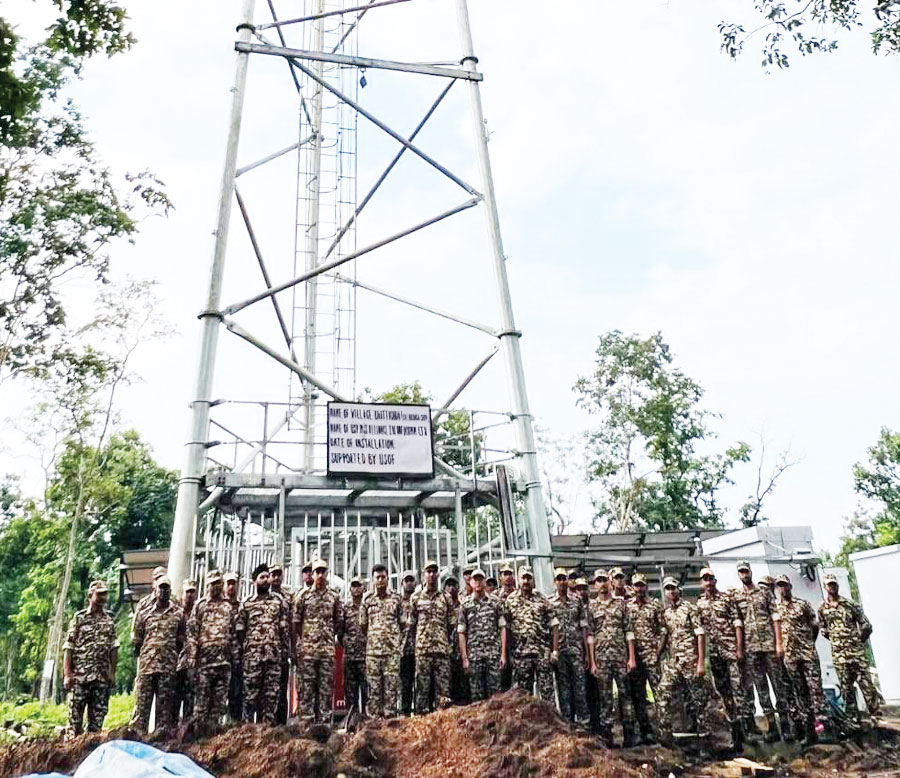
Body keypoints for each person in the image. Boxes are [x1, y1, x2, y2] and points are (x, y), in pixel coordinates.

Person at [732, 560, 789, 741]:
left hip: (769, 645)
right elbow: (738, 624)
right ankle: (771, 726)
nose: (744, 574)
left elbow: (775, 617)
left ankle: (785, 725)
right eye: (741, 572)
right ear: (738, 574)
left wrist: (779, 643)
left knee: (778, 684)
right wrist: (740, 649)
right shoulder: (737, 597)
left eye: (746, 571)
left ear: (751, 572)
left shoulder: (764, 592)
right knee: (761, 687)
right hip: (751, 648)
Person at [655, 576, 715, 749]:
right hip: (674, 662)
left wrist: (701, 662)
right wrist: (657, 655)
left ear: (678, 590)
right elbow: (665, 636)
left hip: (690, 660)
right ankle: (665, 738)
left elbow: (700, 634)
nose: (671, 591)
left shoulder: (689, 608)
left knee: (699, 699)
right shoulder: (666, 613)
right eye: (667, 589)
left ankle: (705, 740)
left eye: (673, 588)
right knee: (662, 693)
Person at [818, 573, 881, 725]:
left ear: (837, 585)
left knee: (867, 685)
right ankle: (853, 719)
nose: (832, 587)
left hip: (856, 653)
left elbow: (866, 625)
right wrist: (837, 641)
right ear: (825, 587)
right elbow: (823, 630)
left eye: (834, 584)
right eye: (829, 585)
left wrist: (858, 641)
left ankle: (876, 715)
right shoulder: (822, 608)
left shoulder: (850, 604)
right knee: (846, 688)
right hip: (839, 655)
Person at [696, 566, 747, 752]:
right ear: (701, 583)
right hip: (715, 655)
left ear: (715, 580)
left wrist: (739, 649)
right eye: (705, 579)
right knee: (724, 693)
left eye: (711, 578)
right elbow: (699, 631)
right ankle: (733, 733)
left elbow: (737, 623)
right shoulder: (700, 604)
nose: (708, 582)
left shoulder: (726, 598)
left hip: (731, 652)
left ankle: (743, 733)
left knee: (738, 690)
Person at [773, 574, 825, 745]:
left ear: (790, 586)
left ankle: (823, 727)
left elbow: (815, 625)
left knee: (815, 690)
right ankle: (809, 731)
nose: (783, 589)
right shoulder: (775, 608)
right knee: (800, 692)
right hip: (790, 657)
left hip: (807, 654)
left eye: (785, 585)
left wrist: (808, 643)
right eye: (780, 586)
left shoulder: (802, 604)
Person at [588, 568, 638, 747]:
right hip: (602, 659)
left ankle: (630, 735)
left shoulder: (621, 604)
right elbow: (590, 636)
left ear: (609, 582)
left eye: (604, 580)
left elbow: (629, 632)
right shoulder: (591, 607)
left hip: (620, 657)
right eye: (598, 581)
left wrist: (631, 658)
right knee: (605, 698)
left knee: (626, 696)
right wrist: (592, 662)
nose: (602, 583)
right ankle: (607, 736)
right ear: (595, 585)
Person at [63, 580, 118, 736]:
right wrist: (67, 674)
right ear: (90, 596)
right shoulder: (79, 618)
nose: (103, 598)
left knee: (96, 726)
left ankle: (91, 749)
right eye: (99, 594)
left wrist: (112, 673)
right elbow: (68, 647)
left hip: (100, 679)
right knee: (74, 725)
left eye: (105, 594)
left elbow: (113, 648)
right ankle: (72, 749)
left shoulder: (109, 620)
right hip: (80, 678)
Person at [237, 564, 290, 724]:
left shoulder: (278, 601)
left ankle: (266, 733)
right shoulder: (246, 603)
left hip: (273, 659)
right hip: (253, 660)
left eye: (267, 577)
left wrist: (284, 653)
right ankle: (248, 733)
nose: (266, 580)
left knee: (270, 700)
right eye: (262, 577)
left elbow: (283, 629)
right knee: (250, 700)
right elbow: (240, 631)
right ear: (255, 581)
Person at [131, 576, 185, 733]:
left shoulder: (178, 614)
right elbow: (137, 642)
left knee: (164, 715)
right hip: (147, 668)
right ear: (155, 590)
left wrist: (169, 655)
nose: (163, 591)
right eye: (161, 587)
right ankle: (138, 740)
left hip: (167, 669)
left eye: (166, 588)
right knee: (141, 713)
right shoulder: (144, 614)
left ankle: (160, 741)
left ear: (170, 591)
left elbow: (180, 641)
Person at [294, 558, 343, 722]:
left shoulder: (334, 596)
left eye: (323, 571)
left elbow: (338, 621)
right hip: (308, 652)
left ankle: (325, 724)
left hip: (327, 652)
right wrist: (307, 638)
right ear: (313, 574)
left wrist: (327, 637)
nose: (320, 575)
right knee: (307, 690)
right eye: (317, 572)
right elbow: (296, 622)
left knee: (326, 690)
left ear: (327, 573)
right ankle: (306, 725)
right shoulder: (303, 596)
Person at [187, 570, 238, 727]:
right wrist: (191, 662)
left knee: (218, 707)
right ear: (207, 585)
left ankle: (213, 735)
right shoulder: (200, 606)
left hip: (223, 664)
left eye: (218, 583)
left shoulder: (228, 606)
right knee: (201, 707)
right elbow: (192, 635)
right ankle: (198, 735)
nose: (216, 587)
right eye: (212, 584)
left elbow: (233, 634)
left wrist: (235, 658)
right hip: (204, 665)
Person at [504, 565, 559, 704]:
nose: (526, 581)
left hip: (542, 654)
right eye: (523, 578)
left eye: (528, 578)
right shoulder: (510, 600)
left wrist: (554, 651)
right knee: (522, 698)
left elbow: (554, 625)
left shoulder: (542, 599)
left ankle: (549, 718)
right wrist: (509, 654)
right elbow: (506, 629)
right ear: (518, 579)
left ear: (533, 579)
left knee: (548, 696)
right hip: (521, 655)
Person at [408, 559, 456, 713]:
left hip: (442, 651)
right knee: (422, 693)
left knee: (444, 694)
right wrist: (417, 645)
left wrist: (445, 642)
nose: (432, 574)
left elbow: (452, 624)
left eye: (434, 571)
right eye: (429, 571)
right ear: (424, 574)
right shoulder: (416, 598)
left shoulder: (446, 598)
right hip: (423, 652)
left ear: (438, 575)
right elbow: (412, 625)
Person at [548, 566, 591, 723]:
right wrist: (552, 651)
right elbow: (548, 629)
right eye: (558, 579)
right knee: (564, 691)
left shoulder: (576, 601)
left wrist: (586, 653)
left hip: (576, 652)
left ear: (568, 581)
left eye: (564, 578)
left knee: (580, 689)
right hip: (560, 653)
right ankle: (568, 724)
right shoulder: (549, 602)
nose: (561, 582)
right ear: (555, 582)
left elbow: (583, 627)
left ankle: (584, 723)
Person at [626, 572, 665, 744]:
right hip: (635, 658)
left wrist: (658, 652)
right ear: (632, 587)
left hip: (652, 657)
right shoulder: (628, 607)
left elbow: (663, 630)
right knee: (638, 696)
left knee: (659, 694)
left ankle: (663, 732)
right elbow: (627, 631)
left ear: (646, 586)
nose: (639, 589)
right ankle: (645, 731)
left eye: (641, 585)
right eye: (636, 585)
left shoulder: (655, 605)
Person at [457, 569, 508, 701]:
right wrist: (465, 658)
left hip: (493, 656)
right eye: (475, 579)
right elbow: (461, 632)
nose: (478, 582)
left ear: (484, 582)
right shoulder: (465, 604)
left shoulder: (495, 602)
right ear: (471, 582)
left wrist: (503, 654)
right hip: (474, 657)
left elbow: (502, 628)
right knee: (477, 698)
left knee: (496, 698)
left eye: (481, 579)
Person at [361, 564, 404, 718]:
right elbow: (363, 625)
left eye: (383, 577)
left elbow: (402, 623)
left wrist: (393, 641)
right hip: (373, 653)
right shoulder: (367, 599)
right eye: (377, 577)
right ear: (373, 580)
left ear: (387, 578)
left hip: (391, 653)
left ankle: (390, 721)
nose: (380, 580)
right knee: (373, 690)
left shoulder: (396, 598)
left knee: (391, 689)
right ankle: (374, 722)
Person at [269, 562, 294, 724]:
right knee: (268, 691)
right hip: (267, 652)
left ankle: (282, 725)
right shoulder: (262, 595)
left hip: (283, 651)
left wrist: (292, 648)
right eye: (273, 575)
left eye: (279, 574)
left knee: (282, 689)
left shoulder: (288, 597)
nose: (276, 578)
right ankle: (267, 725)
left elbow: (293, 623)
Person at [172, 578, 197, 723]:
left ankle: (187, 730)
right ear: (182, 593)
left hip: (192, 663)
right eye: (187, 592)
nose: (190, 595)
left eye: (192, 592)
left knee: (190, 700)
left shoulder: (199, 612)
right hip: (176, 663)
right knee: (174, 701)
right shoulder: (175, 612)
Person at [342, 575, 368, 718]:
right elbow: (340, 631)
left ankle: (365, 720)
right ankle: (351, 720)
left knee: (367, 693)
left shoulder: (368, 606)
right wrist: (348, 645)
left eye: (359, 585)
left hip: (366, 656)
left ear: (364, 588)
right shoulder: (345, 609)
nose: (356, 589)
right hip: (350, 657)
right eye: (354, 586)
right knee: (350, 694)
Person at [443, 575, 469, 704]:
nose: (451, 588)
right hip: (445, 652)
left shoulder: (463, 606)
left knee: (463, 687)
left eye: (454, 585)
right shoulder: (441, 606)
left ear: (458, 588)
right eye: (448, 585)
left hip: (461, 653)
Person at [223, 572, 243, 721]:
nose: (231, 587)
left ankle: (235, 725)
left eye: (233, 584)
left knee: (236, 696)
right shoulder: (217, 606)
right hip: (219, 659)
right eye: (228, 584)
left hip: (236, 658)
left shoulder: (242, 607)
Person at [399, 570, 417, 715]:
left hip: (420, 649)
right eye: (407, 580)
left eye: (411, 580)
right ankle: (404, 714)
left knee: (421, 685)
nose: (409, 583)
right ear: (402, 583)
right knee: (405, 685)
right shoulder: (398, 603)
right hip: (403, 650)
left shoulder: (419, 600)